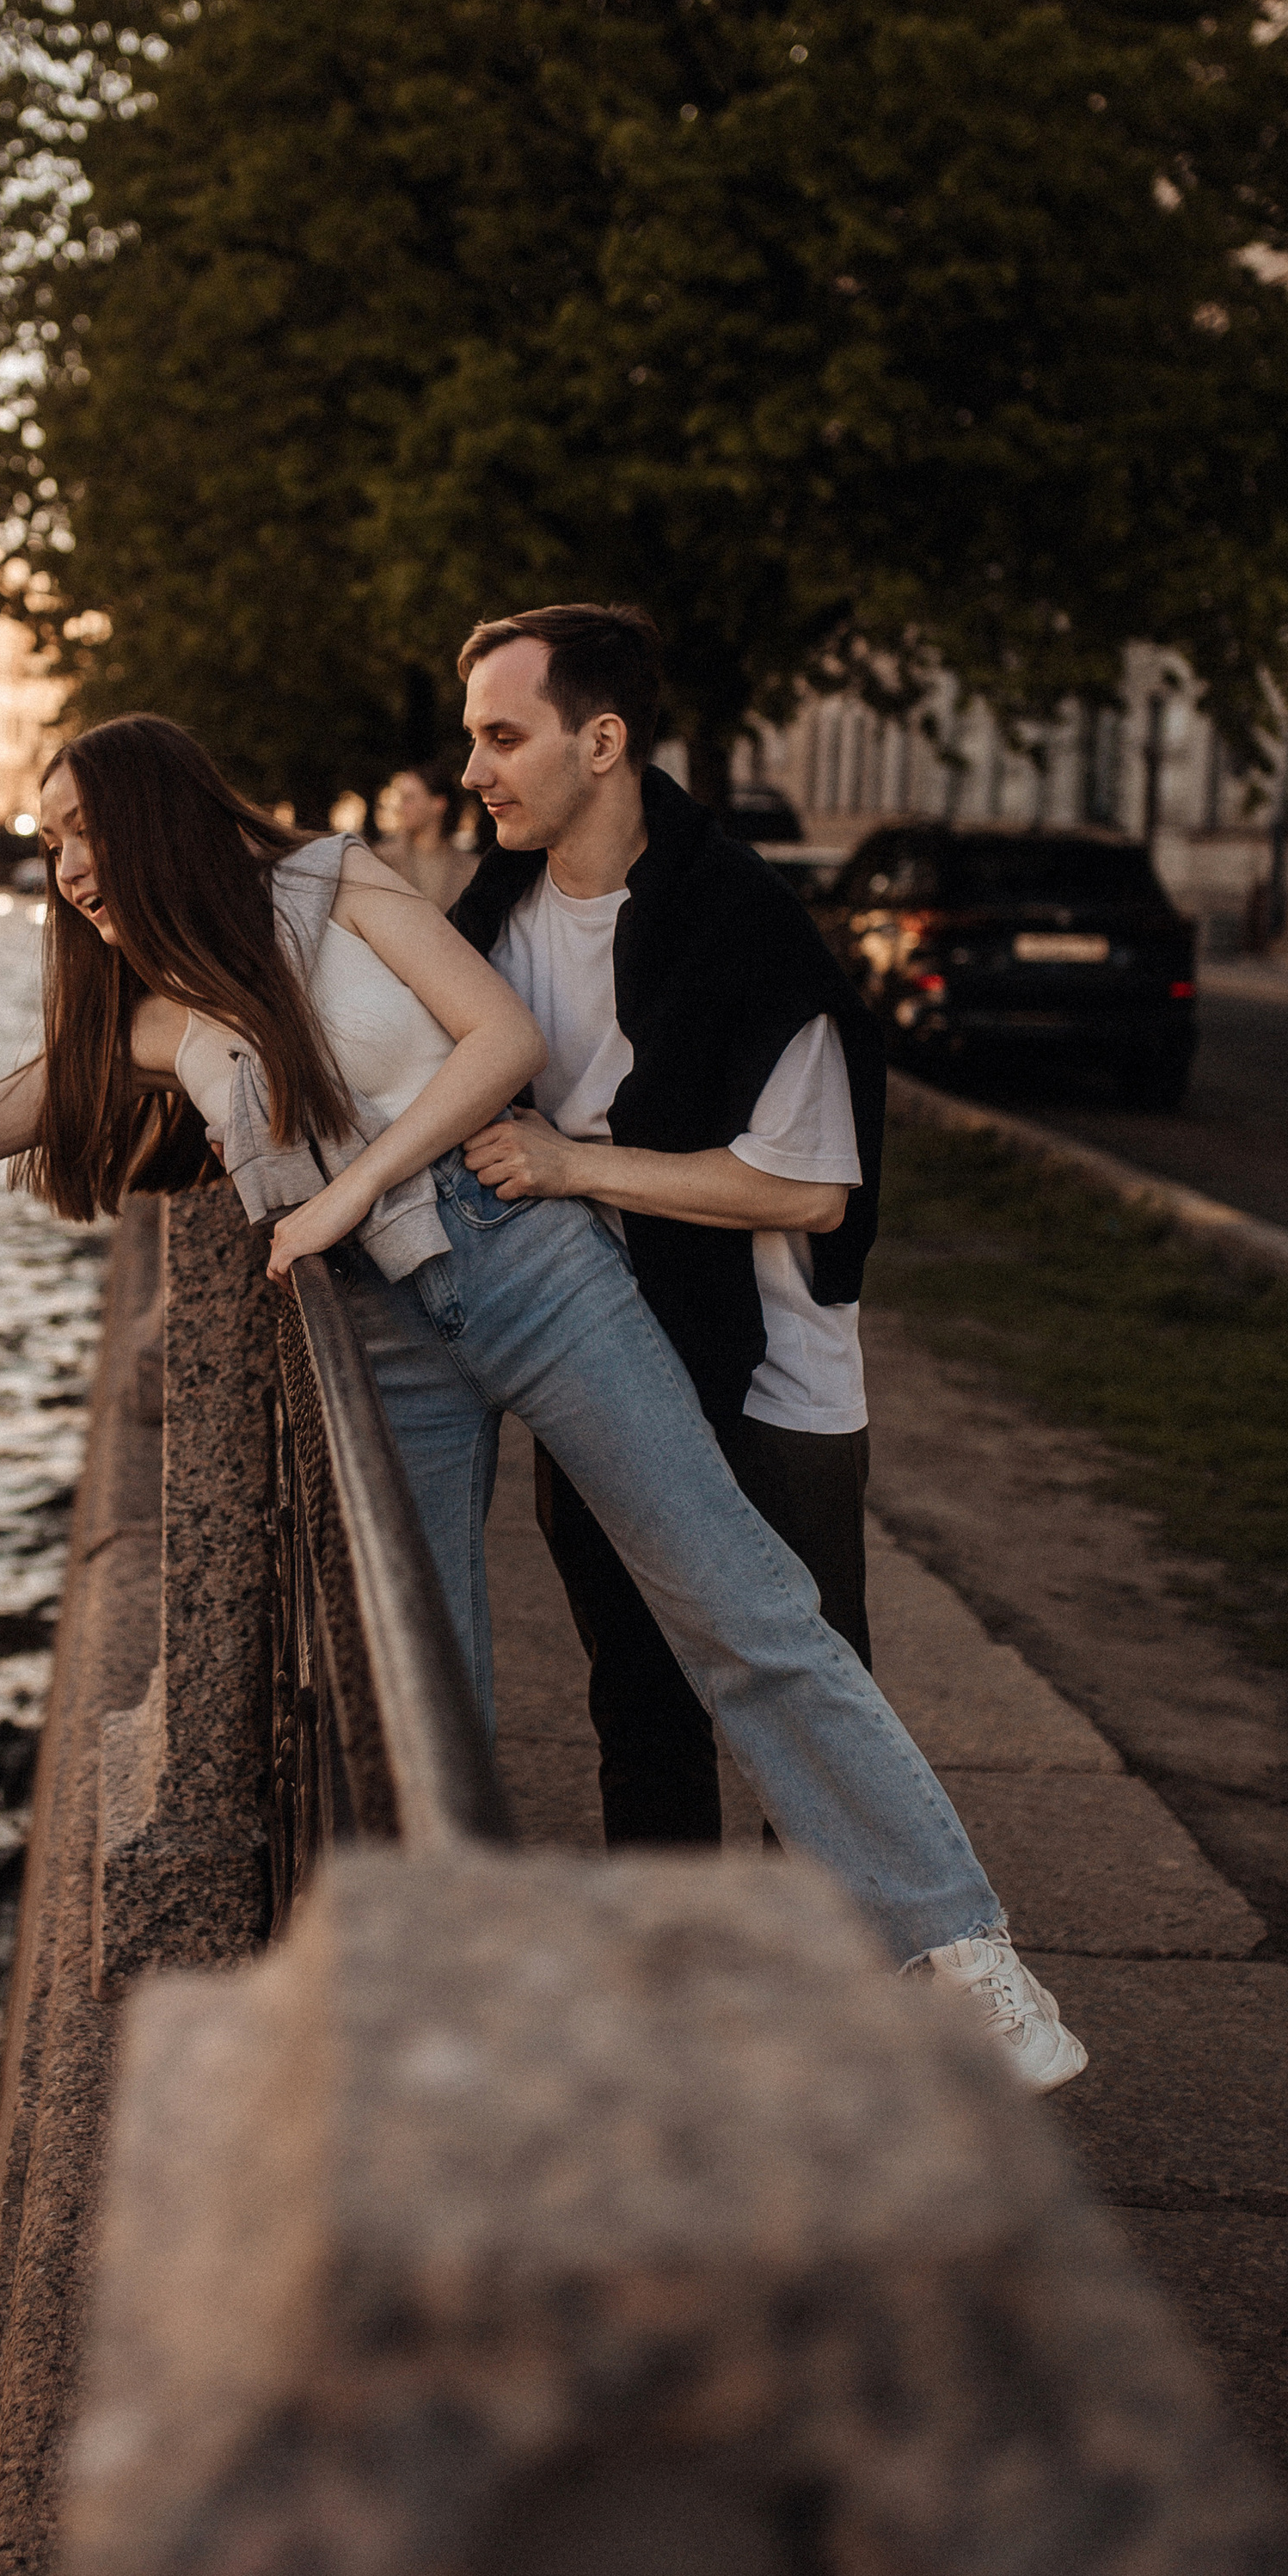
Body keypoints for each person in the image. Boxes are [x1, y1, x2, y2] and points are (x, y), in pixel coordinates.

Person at [0, 712, 1084, 2088]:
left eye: (86, 830)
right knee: (420, 1685)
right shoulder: (146, 1024)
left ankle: (966, 1960)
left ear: (159, 815)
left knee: (740, 1607)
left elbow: (505, 1044)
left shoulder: (336, 884)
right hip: (382, 1340)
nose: (70, 867)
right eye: (51, 846)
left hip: (533, 1270)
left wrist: (345, 1189)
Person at [448, 602, 880, 1861]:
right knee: (637, 1714)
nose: (471, 772)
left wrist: (573, 1166)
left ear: (602, 742)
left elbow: (810, 1193)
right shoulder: (495, 921)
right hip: (595, 1364)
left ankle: (841, 2016)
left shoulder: (738, 923)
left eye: (501, 736)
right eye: (471, 739)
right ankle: (671, 2008)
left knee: (816, 1729)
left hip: (771, 1389)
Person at [373, 758, 480, 911]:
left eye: (410, 798)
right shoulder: (381, 859)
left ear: (439, 804)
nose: (401, 807)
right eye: (402, 798)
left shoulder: (472, 869)